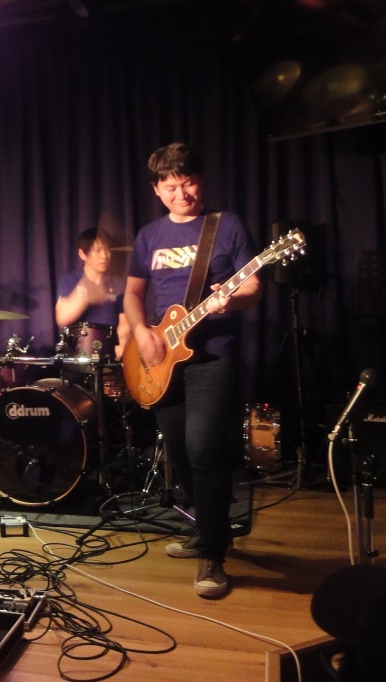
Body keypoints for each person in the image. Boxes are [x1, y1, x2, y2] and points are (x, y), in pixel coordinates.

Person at [122, 142, 261, 598]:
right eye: (171, 186)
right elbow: (132, 294)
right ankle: (206, 529)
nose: (182, 194)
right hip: (162, 359)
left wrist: (230, 300)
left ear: (201, 180)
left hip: (213, 355)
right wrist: (140, 332)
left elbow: (254, 286)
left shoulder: (227, 226)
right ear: (156, 190)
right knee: (179, 453)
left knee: (204, 448)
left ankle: (212, 554)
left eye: (189, 183)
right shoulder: (149, 236)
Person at [54, 228, 129, 360]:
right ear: (82, 254)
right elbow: (62, 318)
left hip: (109, 355)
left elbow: (125, 323)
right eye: (97, 250)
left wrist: (120, 345)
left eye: (107, 249)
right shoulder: (70, 281)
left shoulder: (118, 284)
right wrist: (86, 294)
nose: (104, 256)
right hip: (77, 355)